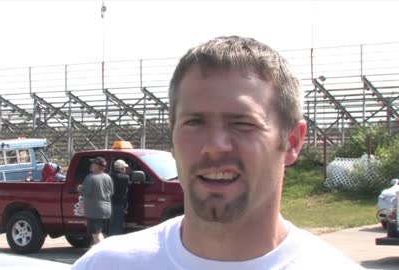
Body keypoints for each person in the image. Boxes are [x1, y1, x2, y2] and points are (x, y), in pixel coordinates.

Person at [71, 36, 365, 269]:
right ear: (173, 138)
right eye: (195, 122)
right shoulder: (106, 265)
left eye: (243, 123)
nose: (214, 145)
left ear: (292, 142)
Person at [78, 156, 114, 245]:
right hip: (106, 210)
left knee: (96, 234)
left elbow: (86, 192)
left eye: (93, 163)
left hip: (94, 210)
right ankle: (104, 250)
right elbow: (111, 192)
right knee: (101, 233)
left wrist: (80, 188)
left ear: (97, 166)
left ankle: (102, 253)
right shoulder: (108, 177)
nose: (91, 165)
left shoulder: (90, 177)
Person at [109, 159, 130, 236]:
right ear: (121, 168)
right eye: (124, 167)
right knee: (117, 225)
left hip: (109, 203)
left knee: (110, 225)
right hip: (119, 204)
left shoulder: (109, 176)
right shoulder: (125, 178)